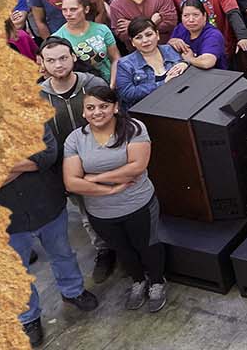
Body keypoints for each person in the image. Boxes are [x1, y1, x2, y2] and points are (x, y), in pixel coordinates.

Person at [62, 86, 169, 313]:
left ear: (116, 107)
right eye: (91, 108)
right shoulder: (75, 139)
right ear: (83, 112)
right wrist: (110, 190)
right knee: (123, 250)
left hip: (138, 205)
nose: (97, 112)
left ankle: (157, 282)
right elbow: (71, 183)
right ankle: (138, 280)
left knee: (148, 246)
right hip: (100, 212)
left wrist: (94, 178)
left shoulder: (134, 128)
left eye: (104, 106)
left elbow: (136, 168)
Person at [1, 119, 101, 347]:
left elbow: (47, 154)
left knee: (63, 253)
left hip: (47, 205)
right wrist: (25, 160)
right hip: (4, 219)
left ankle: (73, 291)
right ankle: (29, 318)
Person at [36, 38, 114, 280]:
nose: (58, 64)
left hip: (105, 161)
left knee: (117, 203)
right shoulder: (37, 96)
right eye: (51, 60)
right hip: (68, 170)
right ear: (42, 63)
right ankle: (104, 251)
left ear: (73, 57)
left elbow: (114, 120)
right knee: (87, 214)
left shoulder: (93, 84)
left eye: (63, 58)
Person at [114, 18, 189, 110]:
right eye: (138, 37)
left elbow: (191, 73)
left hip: (179, 103)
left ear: (157, 35)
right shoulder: (125, 64)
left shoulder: (171, 49)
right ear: (132, 42)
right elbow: (127, 93)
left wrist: (185, 64)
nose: (145, 40)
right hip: (147, 111)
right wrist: (162, 84)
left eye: (149, 35)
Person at [53, 0, 120, 81]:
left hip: (109, 79)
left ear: (86, 9)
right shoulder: (57, 38)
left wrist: (113, 83)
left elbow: (115, 58)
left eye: (73, 9)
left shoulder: (102, 29)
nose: (68, 14)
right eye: (64, 10)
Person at [169, 0, 227, 70]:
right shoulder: (180, 28)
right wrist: (173, 42)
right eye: (186, 15)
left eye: (195, 15)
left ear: (204, 16)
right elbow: (168, 48)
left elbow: (207, 63)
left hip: (212, 74)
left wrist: (190, 59)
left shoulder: (213, 35)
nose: (191, 20)